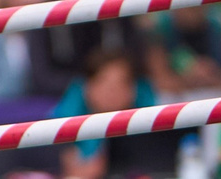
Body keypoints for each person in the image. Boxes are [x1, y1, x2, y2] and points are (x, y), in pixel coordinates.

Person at [25, 0, 144, 99]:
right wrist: (87, 89)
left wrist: (110, 85)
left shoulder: (120, 6)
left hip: (120, 95)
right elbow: (41, 75)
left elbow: (137, 61)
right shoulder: (44, 12)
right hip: (59, 99)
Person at [53, 50, 172, 179]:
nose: (112, 91)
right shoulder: (59, 134)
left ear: (133, 89)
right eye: (104, 81)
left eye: (120, 83)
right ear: (87, 86)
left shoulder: (153, 134)